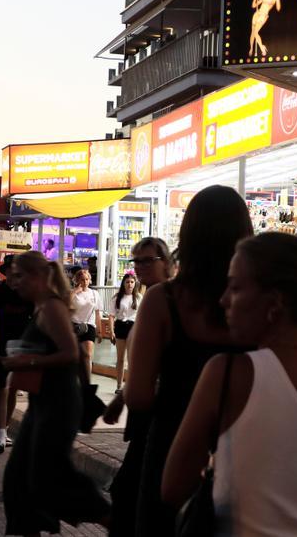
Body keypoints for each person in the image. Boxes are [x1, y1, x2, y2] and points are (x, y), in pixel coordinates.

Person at [163, 232, 297, 535]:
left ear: (274, 302)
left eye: (235, 287)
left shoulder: (228, 373)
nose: (224, 300)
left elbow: (172, 488)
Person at [125, 186, 255, 536]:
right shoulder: (258, 302)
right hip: (245, 445)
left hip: (173, 443)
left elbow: (136, 396)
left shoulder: (162, 301)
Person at [0, 250, 110, 534]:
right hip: (43, 403)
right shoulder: (41, 308)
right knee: (19, 476)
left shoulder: (51, 307)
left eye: (20, 276)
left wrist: (29, 361)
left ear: (38, 276)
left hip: (58, 403)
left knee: (49, 473)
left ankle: (112, 518)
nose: (15, 282)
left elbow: (70, 353)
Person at [103, 237, 172, 537]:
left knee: (131, 494)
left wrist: (124, 397)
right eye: (136, 261)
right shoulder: (154, 296)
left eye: (147, 260)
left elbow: (153, 367)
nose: (139, 267)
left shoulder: (160, 298)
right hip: (154, 409)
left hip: (159, 410)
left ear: (165, 262)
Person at [0, 254, 34, 454]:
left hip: (22, 349)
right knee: (2, 390)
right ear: (5, 273)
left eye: (18, 273)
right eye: (11, 272)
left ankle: (4, 431)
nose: (15, 277)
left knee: (12, 390)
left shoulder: (28, 294)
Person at [111, 274, 141, 388]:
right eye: (127, 282)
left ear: (135, 283)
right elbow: (112, 315)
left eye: (132, 282)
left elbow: (141, 315)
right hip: (120, 326)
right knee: (120, 358)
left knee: (131, 358)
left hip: (133, 326)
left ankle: (130, 385)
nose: (130, 284)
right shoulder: (117, 297)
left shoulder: (138, 297)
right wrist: (111, 331)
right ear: (123, 283)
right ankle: (119, 385)